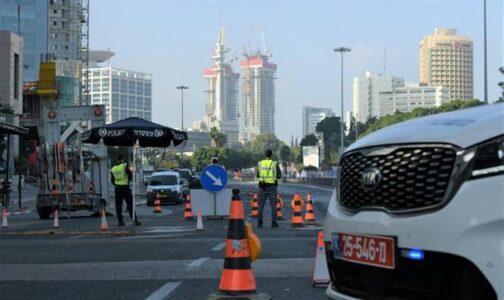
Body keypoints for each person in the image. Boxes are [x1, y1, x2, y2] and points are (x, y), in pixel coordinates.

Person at [110, 154, 141, 226]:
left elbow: (112, 180)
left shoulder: (113, 168)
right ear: (123, 159)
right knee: (130, 204)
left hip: (117, 188)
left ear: (117, 160)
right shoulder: (125, 165)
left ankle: (120, 222)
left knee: (118, 205)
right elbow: (130, 175)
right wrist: (128, 181)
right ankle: (135, 220)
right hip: (125, 187)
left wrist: (116, 184)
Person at [256, 149, 282, 228]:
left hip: (262, 186)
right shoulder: (274, 163)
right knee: (273, 205)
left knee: (261, 205)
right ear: (271, 155)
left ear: (265, 155)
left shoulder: (260, 163)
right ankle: (274, 222)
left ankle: (260, 222)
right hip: (272, 186)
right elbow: (279, 175)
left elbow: (257, 175)